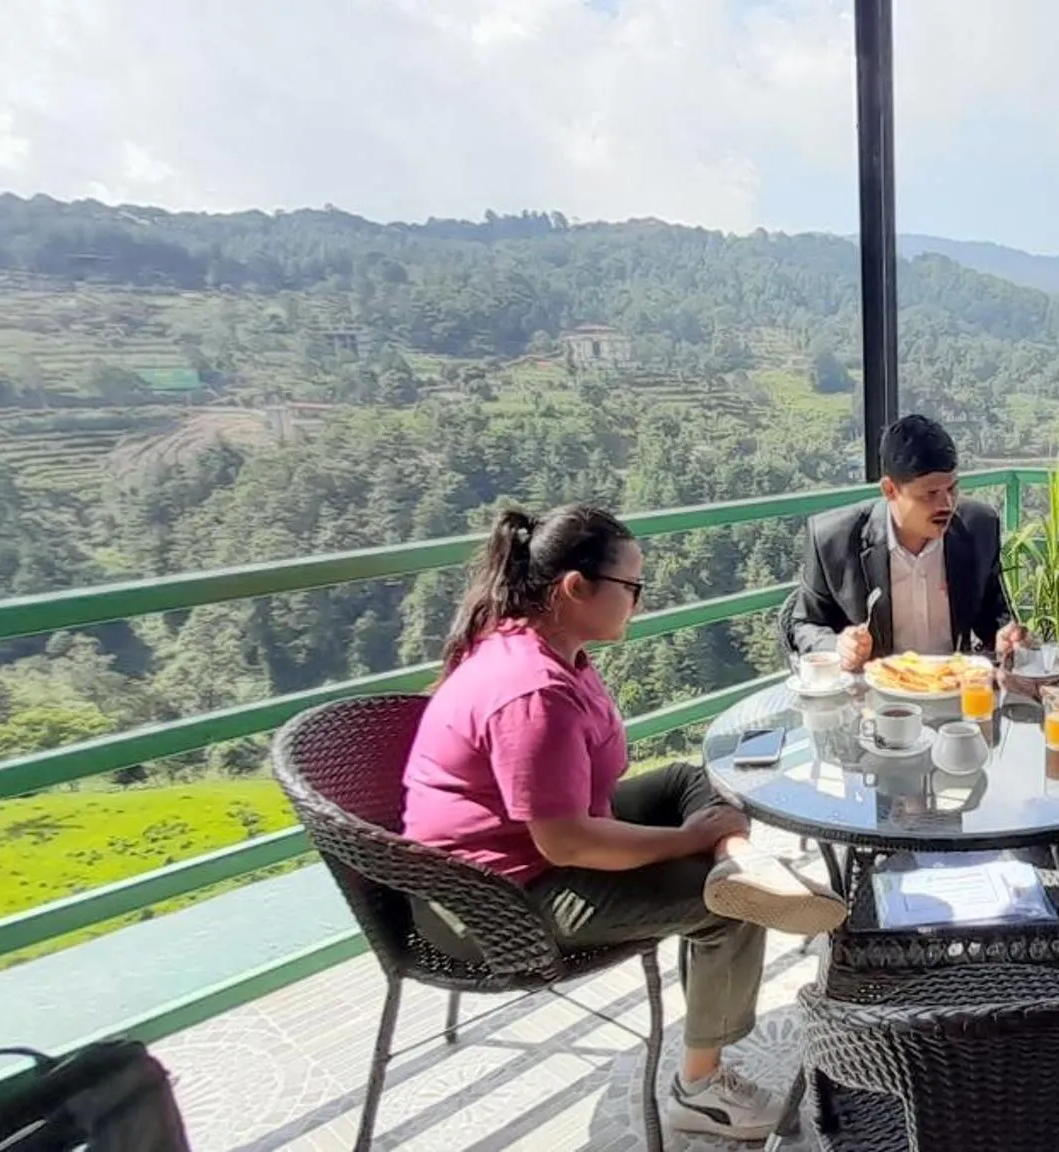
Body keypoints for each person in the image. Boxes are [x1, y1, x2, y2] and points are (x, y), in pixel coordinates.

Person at [401, 504, 845, 1142]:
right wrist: (688, 841)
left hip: (527, 847)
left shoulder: (537, 644)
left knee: (688, 783)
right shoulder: (533, 692)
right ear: (574, 587)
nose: (638, 602)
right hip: (498, 900)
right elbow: (566, 839)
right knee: (725, 906)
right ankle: (700, 1090)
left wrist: (696, 833)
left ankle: (739, 861)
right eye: (631, 588)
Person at [782, 413, 1026, 669]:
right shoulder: (834, 539)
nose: (947, 505)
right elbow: (804, 625)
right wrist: (838, 647)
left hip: (953, 688)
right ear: (889, 490)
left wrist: (1003, 636)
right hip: (876, 696)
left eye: (952, 488)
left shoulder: (978, 527)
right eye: (930, 493)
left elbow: (993, 615)